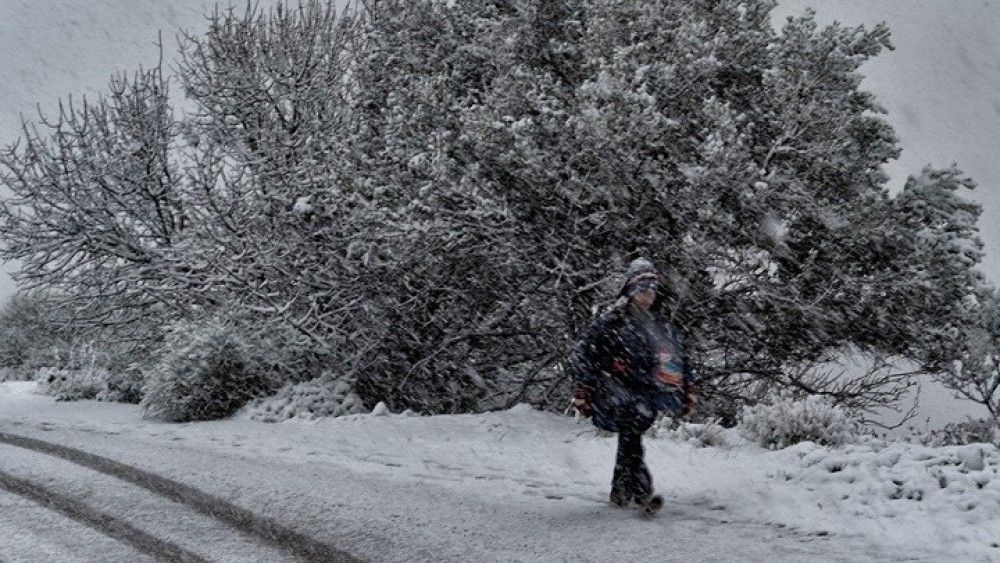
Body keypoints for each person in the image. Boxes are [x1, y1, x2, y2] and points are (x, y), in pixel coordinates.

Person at [569, 258, 697, 512]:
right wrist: (585, 386)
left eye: (652, 291)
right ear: (630, 291)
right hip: (615, 391)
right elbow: (584, 353)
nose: (648, 297)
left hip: (647, 393)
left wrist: (688, 390)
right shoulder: (611, 323)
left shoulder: (662, 326)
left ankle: (620, 490)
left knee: (631, 438)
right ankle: (642, 493)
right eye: (642, 291)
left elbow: (680, 359)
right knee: (631, 437)